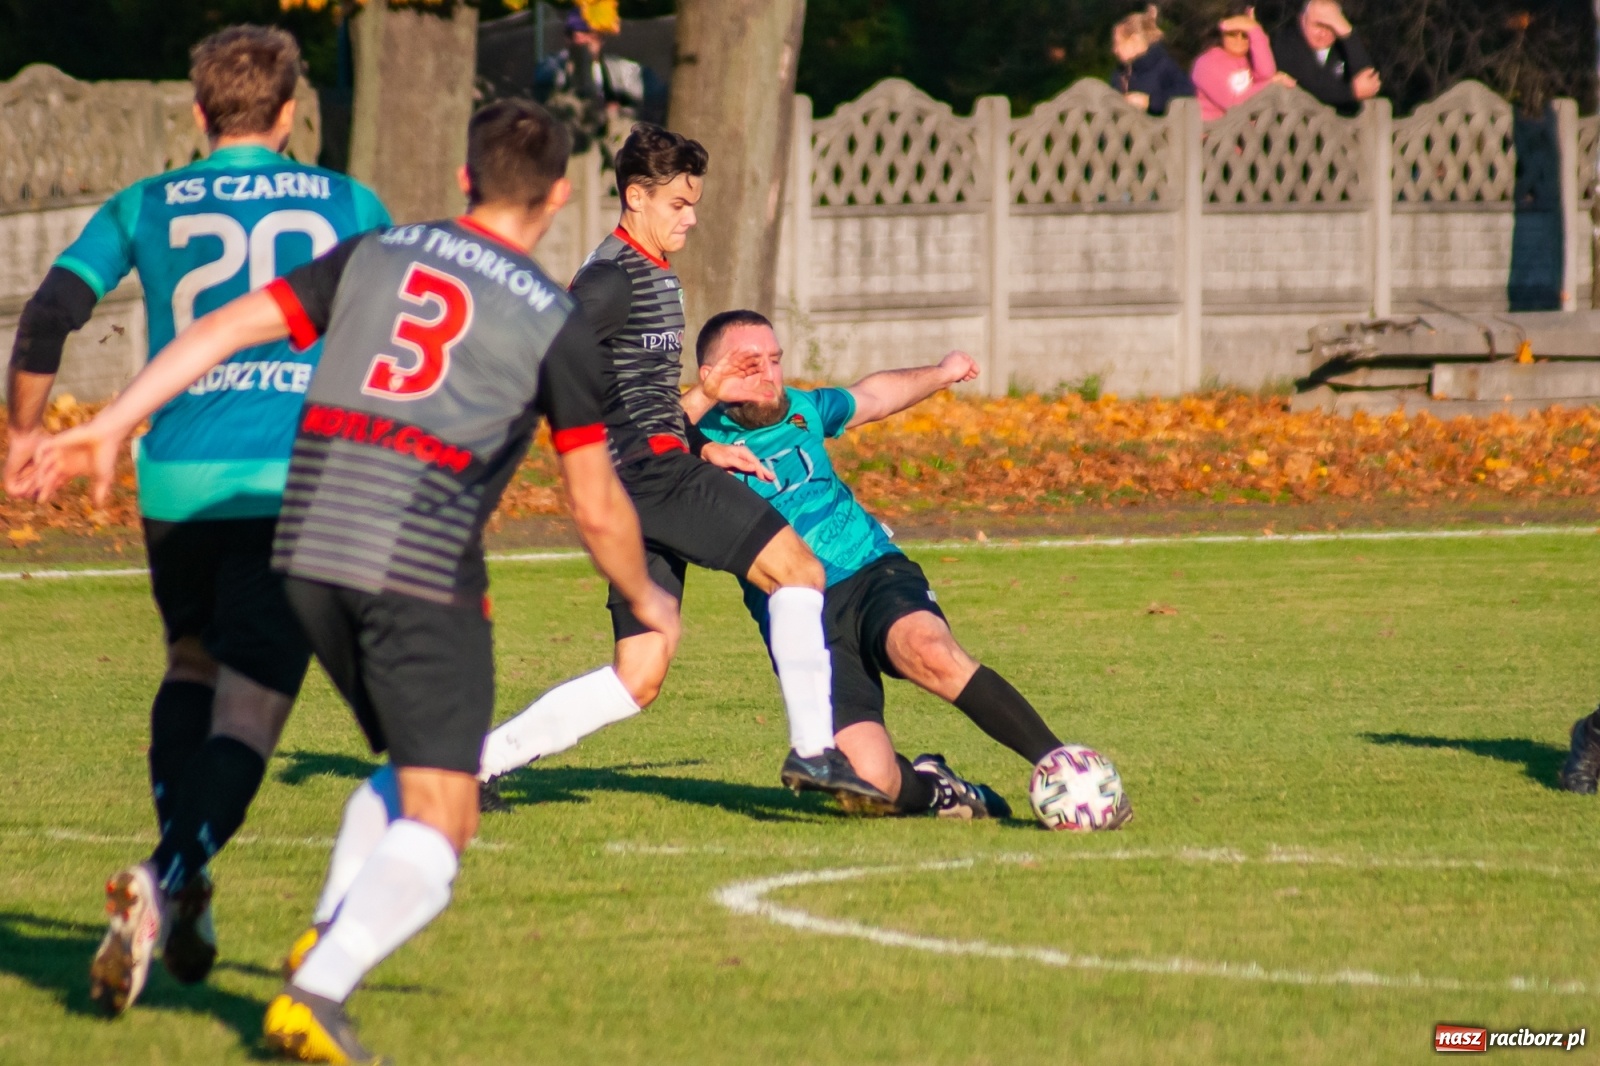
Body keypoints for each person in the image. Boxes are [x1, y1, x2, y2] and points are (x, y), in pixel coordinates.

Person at [33, 98, 678, 1064]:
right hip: (417, 570)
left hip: (306, 546)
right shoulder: (555, 320)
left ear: (464, 179)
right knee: (447, 815)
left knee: (416, 765)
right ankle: (316, 992)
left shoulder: (377, 253)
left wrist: (112, 423)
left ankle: (331, 931)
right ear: (558, 195)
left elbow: (225, 328)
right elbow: (594, 504)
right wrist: (647, 597)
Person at [2, 25, 388, 1016]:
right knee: (254, 705)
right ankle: (166, 876)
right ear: (292, 113)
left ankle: (187, 885)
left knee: (190, 665)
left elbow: (45, 315)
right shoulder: (350, 203)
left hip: (176, 475)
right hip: (295, 478)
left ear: (196, 111)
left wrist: (25, 435)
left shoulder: (146, 201)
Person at [472, 123, 886, 809]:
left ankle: (476, 765)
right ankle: (815, 749)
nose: (691, 217)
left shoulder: (651, 270)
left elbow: (631, 395)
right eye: (678, 204)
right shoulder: (612, 278)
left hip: (643, 476)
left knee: (639, 673)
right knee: (800, 570)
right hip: (649, 476)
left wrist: (701, 436)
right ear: (635, 197)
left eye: (694, 203)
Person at [683, 312, 1117, 822]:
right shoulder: (685, 440)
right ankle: (939, 790)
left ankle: (1067, 768)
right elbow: (632, 441)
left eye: (774, 361)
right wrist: (703, 398)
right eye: (749, 365)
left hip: (871, 571)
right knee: (869, 782)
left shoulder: (803, 408)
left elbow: (874, 396)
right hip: (801, 621)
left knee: (927, 650)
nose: (768, 376)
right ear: (712, 373)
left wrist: (941, 373)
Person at [534, 8, 651, 156]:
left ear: (601, 38)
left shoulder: (622, 70)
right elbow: (544, 101)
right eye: (574, 36)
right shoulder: (553, 68)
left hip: (610, 142)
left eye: (589, 36)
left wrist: (616, 110)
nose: (581, 41)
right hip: (572, 143)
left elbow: (642, 104)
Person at [1269, 0, 1381, 116]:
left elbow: (1368, 80)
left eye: (1331, 27)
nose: (1323, 33)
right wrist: (1351, 92)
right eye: (1318, 25)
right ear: (1302, 20)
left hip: (1340, 123)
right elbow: (1313, 86)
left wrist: (1347, 33)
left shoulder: (1344, 46)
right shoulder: (1286, 43)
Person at [1190, 3, 1291, 121]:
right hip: (1212, 130)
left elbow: (1267, 74)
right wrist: (1271, 84)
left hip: (1244, 129)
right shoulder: (1206, 63)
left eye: (1245, 35)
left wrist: (1255, 30)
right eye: (1232, 34)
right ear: (1221, 34)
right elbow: (1233, 104)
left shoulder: (1247, 58)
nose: (1239, 39)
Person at [1111, 6, 1194, 117]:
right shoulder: (1121, 72)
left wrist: (1149, 102)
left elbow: (1186, 93)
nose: (1115, 50)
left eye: (1118, 43)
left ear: (1134, 40)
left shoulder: (1164, 65)